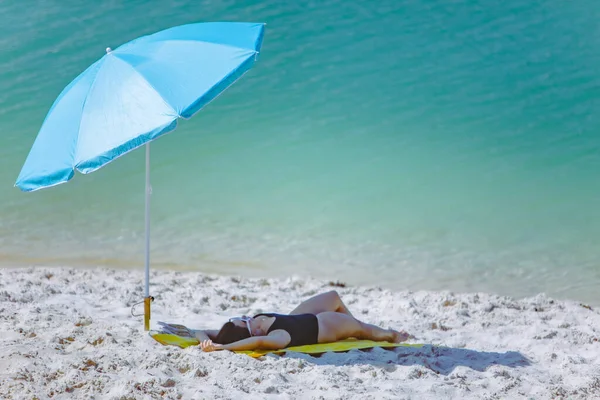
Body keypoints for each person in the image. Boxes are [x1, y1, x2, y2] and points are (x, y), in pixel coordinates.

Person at [193, 290, 412, 352]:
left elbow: (201, 331)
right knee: (363, 330)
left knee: (334, 296)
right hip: (324, 326)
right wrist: (225, 348)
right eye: (245, 322)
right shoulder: (276, 338)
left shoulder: (252, 326)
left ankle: (351, 324)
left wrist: (210, 342)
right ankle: (391, 335)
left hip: (297, 316)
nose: (247, 318)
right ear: (252, 334)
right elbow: (257, 345)